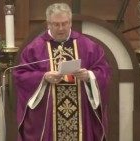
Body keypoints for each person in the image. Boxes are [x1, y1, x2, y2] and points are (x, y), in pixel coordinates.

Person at [13, 3, 111, 141]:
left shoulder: (88, 46)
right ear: (48, 24)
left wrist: (89, 76)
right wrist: (44, 77)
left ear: (70, 22)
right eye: (56, 24)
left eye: (64, 24)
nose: (61, 28)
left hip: (81, 116)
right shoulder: (34, 48)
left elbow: (104, 71)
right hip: (47, 119)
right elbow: (20, 76)